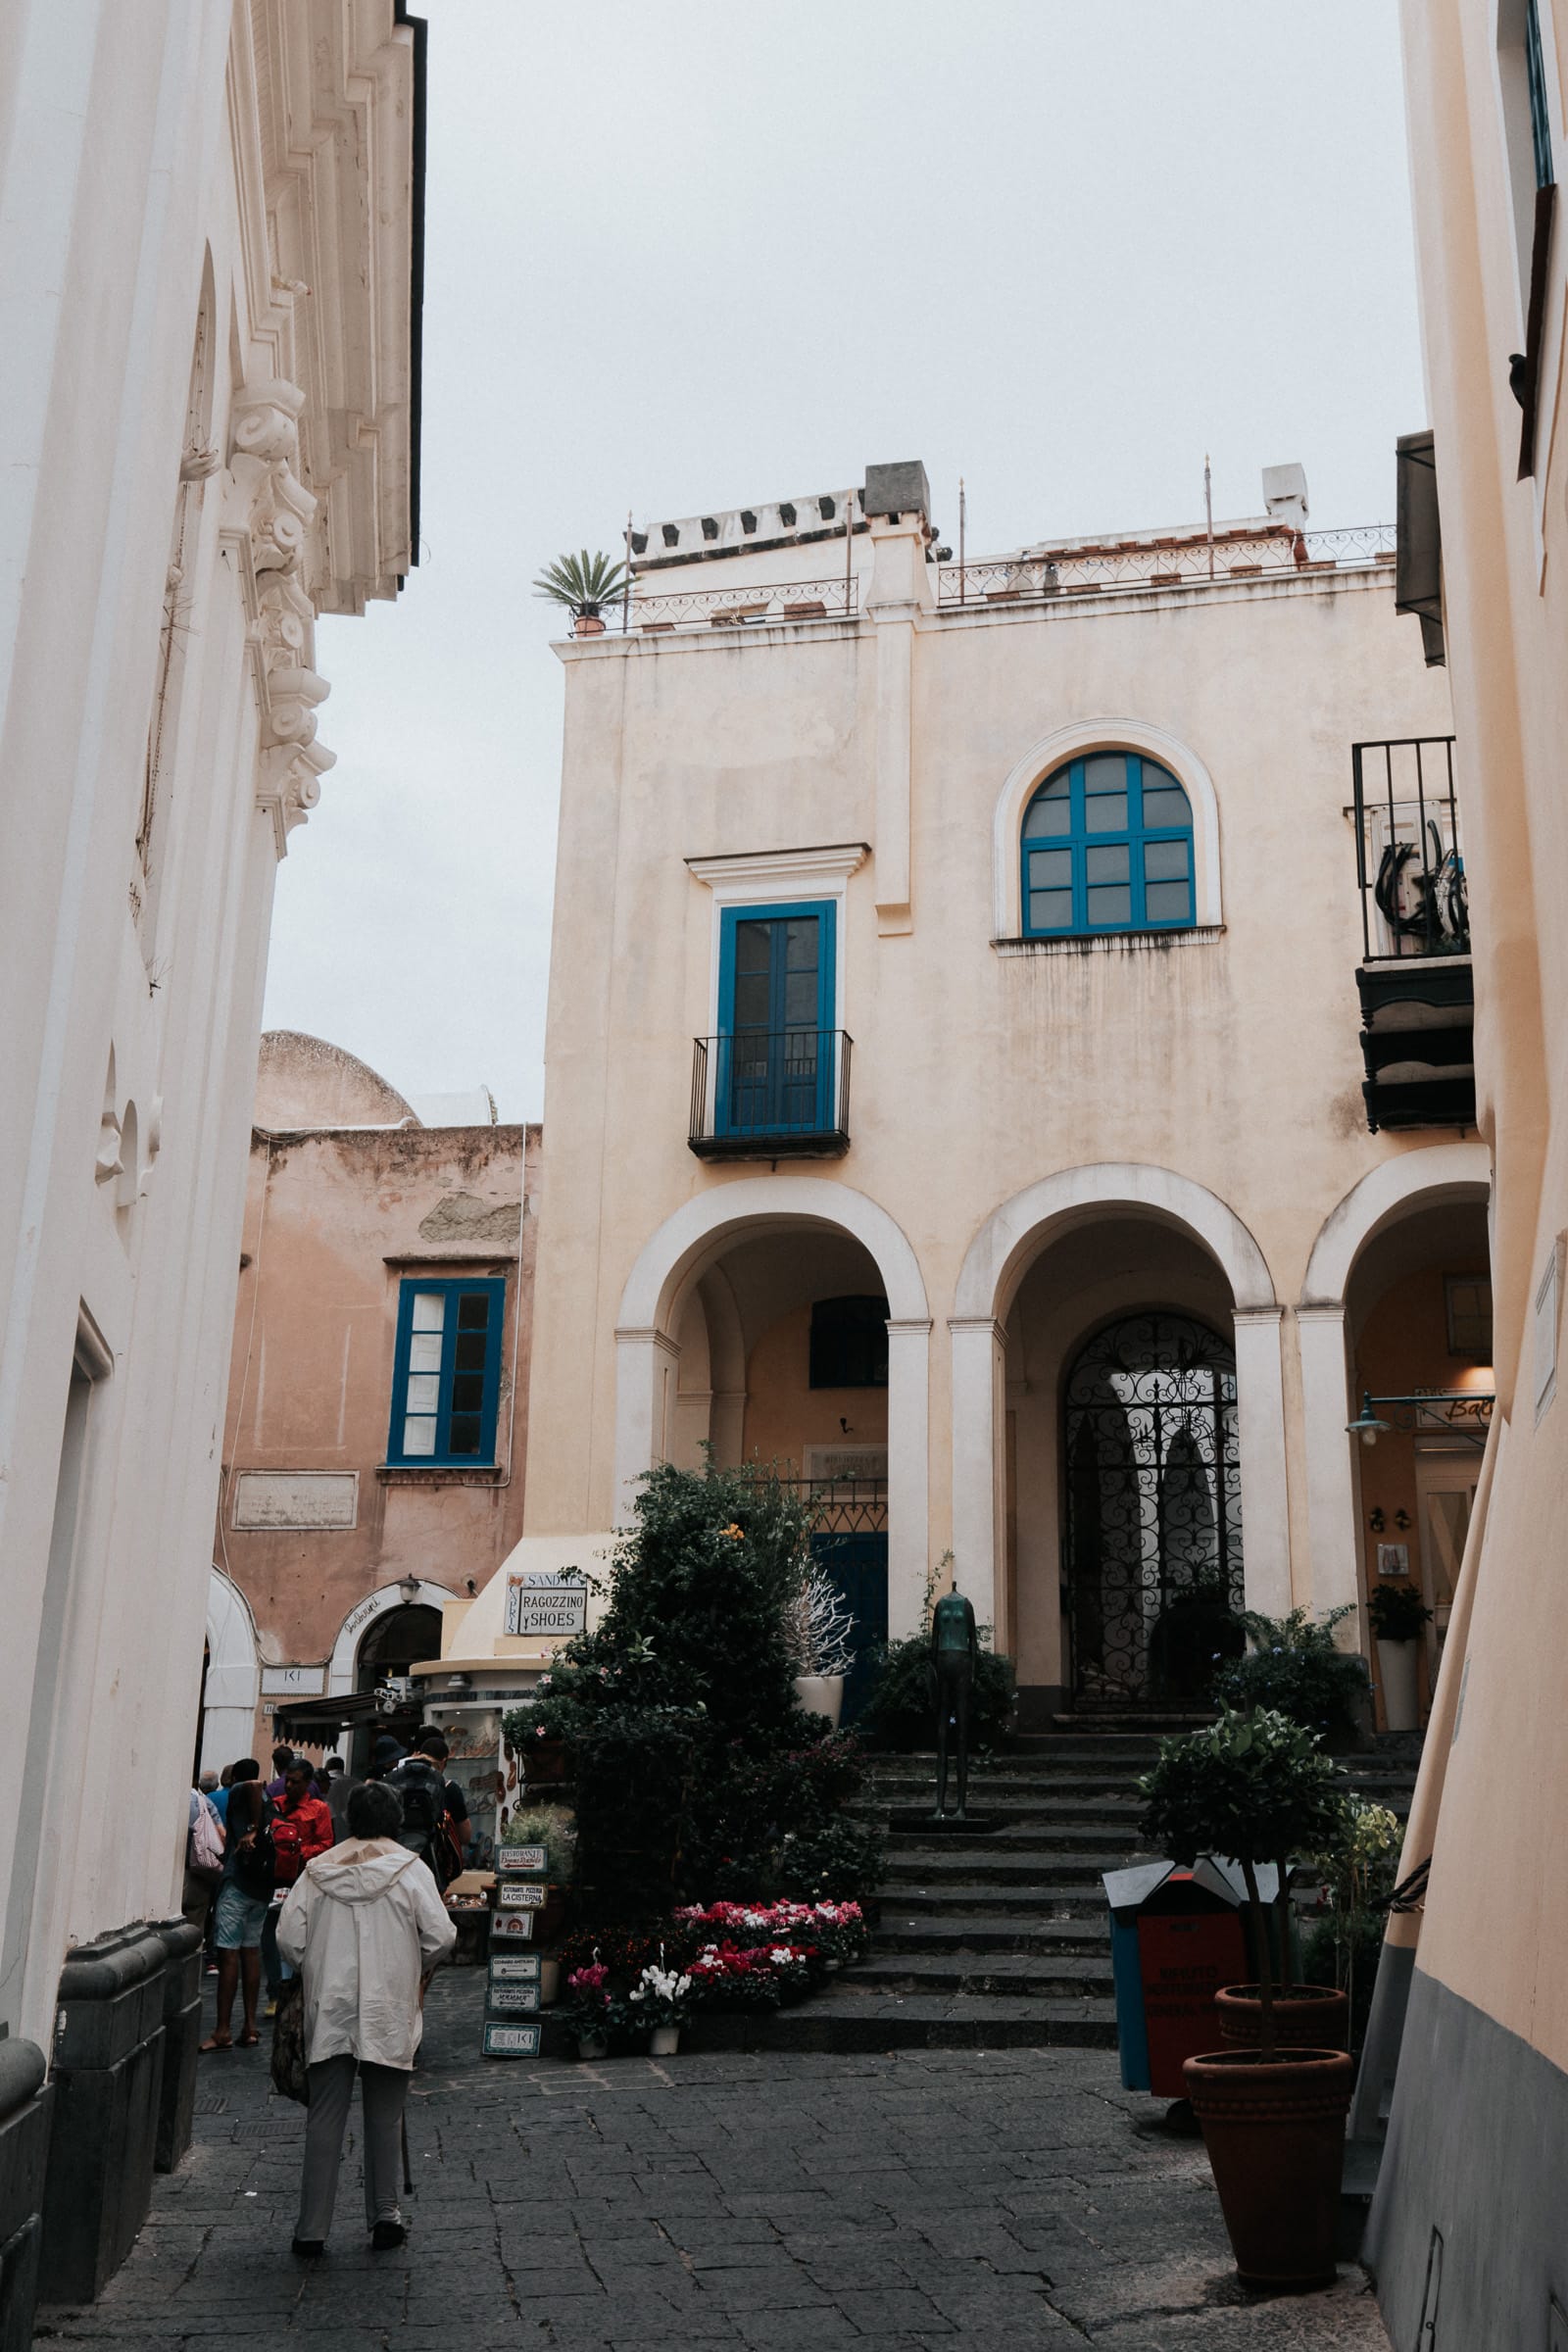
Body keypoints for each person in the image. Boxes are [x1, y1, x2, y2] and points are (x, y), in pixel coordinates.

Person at [278, 1779, 455, 2257]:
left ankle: (311, 2229)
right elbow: (441, 1935)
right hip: (387, 2005)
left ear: (349, 1819)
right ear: (395, 1820)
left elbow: (289, 1939)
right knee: (385, 2115)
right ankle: (385, 2217)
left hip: (330, 2004)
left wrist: (316, 1963)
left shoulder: (316, 1872)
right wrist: (411, 1963)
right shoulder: (410, 1870)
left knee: (325, 2116)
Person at [202, 1759, 270, 2050]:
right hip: (260, 1886)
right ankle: (251, 2026)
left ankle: (223, 2030)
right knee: (251, 1952)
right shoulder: (266, 1798)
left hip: (238, 1883)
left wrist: (252, 1829)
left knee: (229, 1954)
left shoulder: (245, 1789)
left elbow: (252, 1786)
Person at [263, 1757, 334, 2013]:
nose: (289, 1786)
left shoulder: (318, 1809)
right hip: (274, 1880)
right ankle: (275, 1989)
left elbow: (326, 1843)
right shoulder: (274, 1806)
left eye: (295, 1782)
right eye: (287, 1781)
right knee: (270, 1935)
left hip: (303, 1878)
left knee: (299, 1933)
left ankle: (295, 1986)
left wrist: (297, 1851)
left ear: (307, 1783)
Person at [388, 1730, 469, 1887]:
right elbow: (465, 1836)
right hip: (431, 1865)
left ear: (418, 1753)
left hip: (395, 1864)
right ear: (444, 1761)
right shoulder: (449, 1788)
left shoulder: (393, 1779)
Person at [182, 1782, 224, 1938]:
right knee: (195, 1923)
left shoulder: (171, 1796)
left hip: (170, 1873)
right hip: (199, 1872)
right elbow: (221, 1833)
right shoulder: (204, 1801)